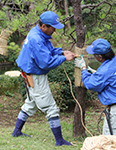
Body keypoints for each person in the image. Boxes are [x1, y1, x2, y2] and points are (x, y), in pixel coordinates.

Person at [12, 11, 74, 146]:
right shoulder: (37, 39)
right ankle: (59, 141)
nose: (55, 31)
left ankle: (16, 132)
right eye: (53, 28)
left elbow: (48, 51)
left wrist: (61, 52)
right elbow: (45, 63)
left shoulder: (38, 32)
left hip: (30, 74)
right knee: (51, 108)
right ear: (44, 26)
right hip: (36, 76)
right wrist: (64, 58)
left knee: (30, 104)